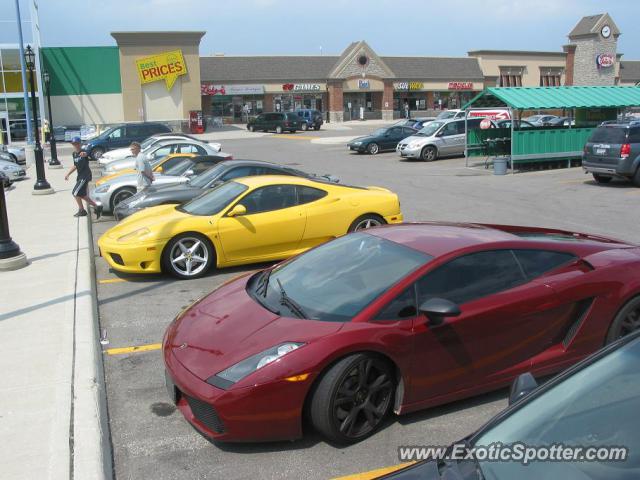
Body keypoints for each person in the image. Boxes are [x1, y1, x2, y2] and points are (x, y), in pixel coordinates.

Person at [65, 136, 102, 218]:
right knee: (82, 195)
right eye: (74, 144)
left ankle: (82, 210)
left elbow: (87, 155)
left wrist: (85, 154)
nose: (75, 145)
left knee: (75, 193)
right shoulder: (74, 154)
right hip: (80, 176)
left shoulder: (83, 152)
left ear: (80, 144)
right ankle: (97, 206)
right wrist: (68, 174)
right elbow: (75, 165)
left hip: (85, 176)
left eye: (77, 144)